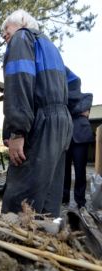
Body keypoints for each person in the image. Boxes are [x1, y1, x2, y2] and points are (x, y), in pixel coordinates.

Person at [1, 9, 73, 218]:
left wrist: (17, 132)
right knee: (49, 196)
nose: (5, 36)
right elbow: (74, 84)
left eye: (6, 29)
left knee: (20, 198)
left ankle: (15, 246)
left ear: (23, 21)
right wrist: (77, 113)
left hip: (39, 122)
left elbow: (19, 82)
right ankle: (45, 240)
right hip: (61, 122)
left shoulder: (21, 38)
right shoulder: (51, 47)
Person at [62, 67, 94, 209]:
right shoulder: (64, 98)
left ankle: (80, 201)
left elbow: (70, 110)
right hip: (66, 137)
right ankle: (64, 198)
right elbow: (72, 110)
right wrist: (79, 111)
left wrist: (70, 110)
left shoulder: (87, 96)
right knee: (65, 170)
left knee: (80, 171)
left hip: (81, 137)